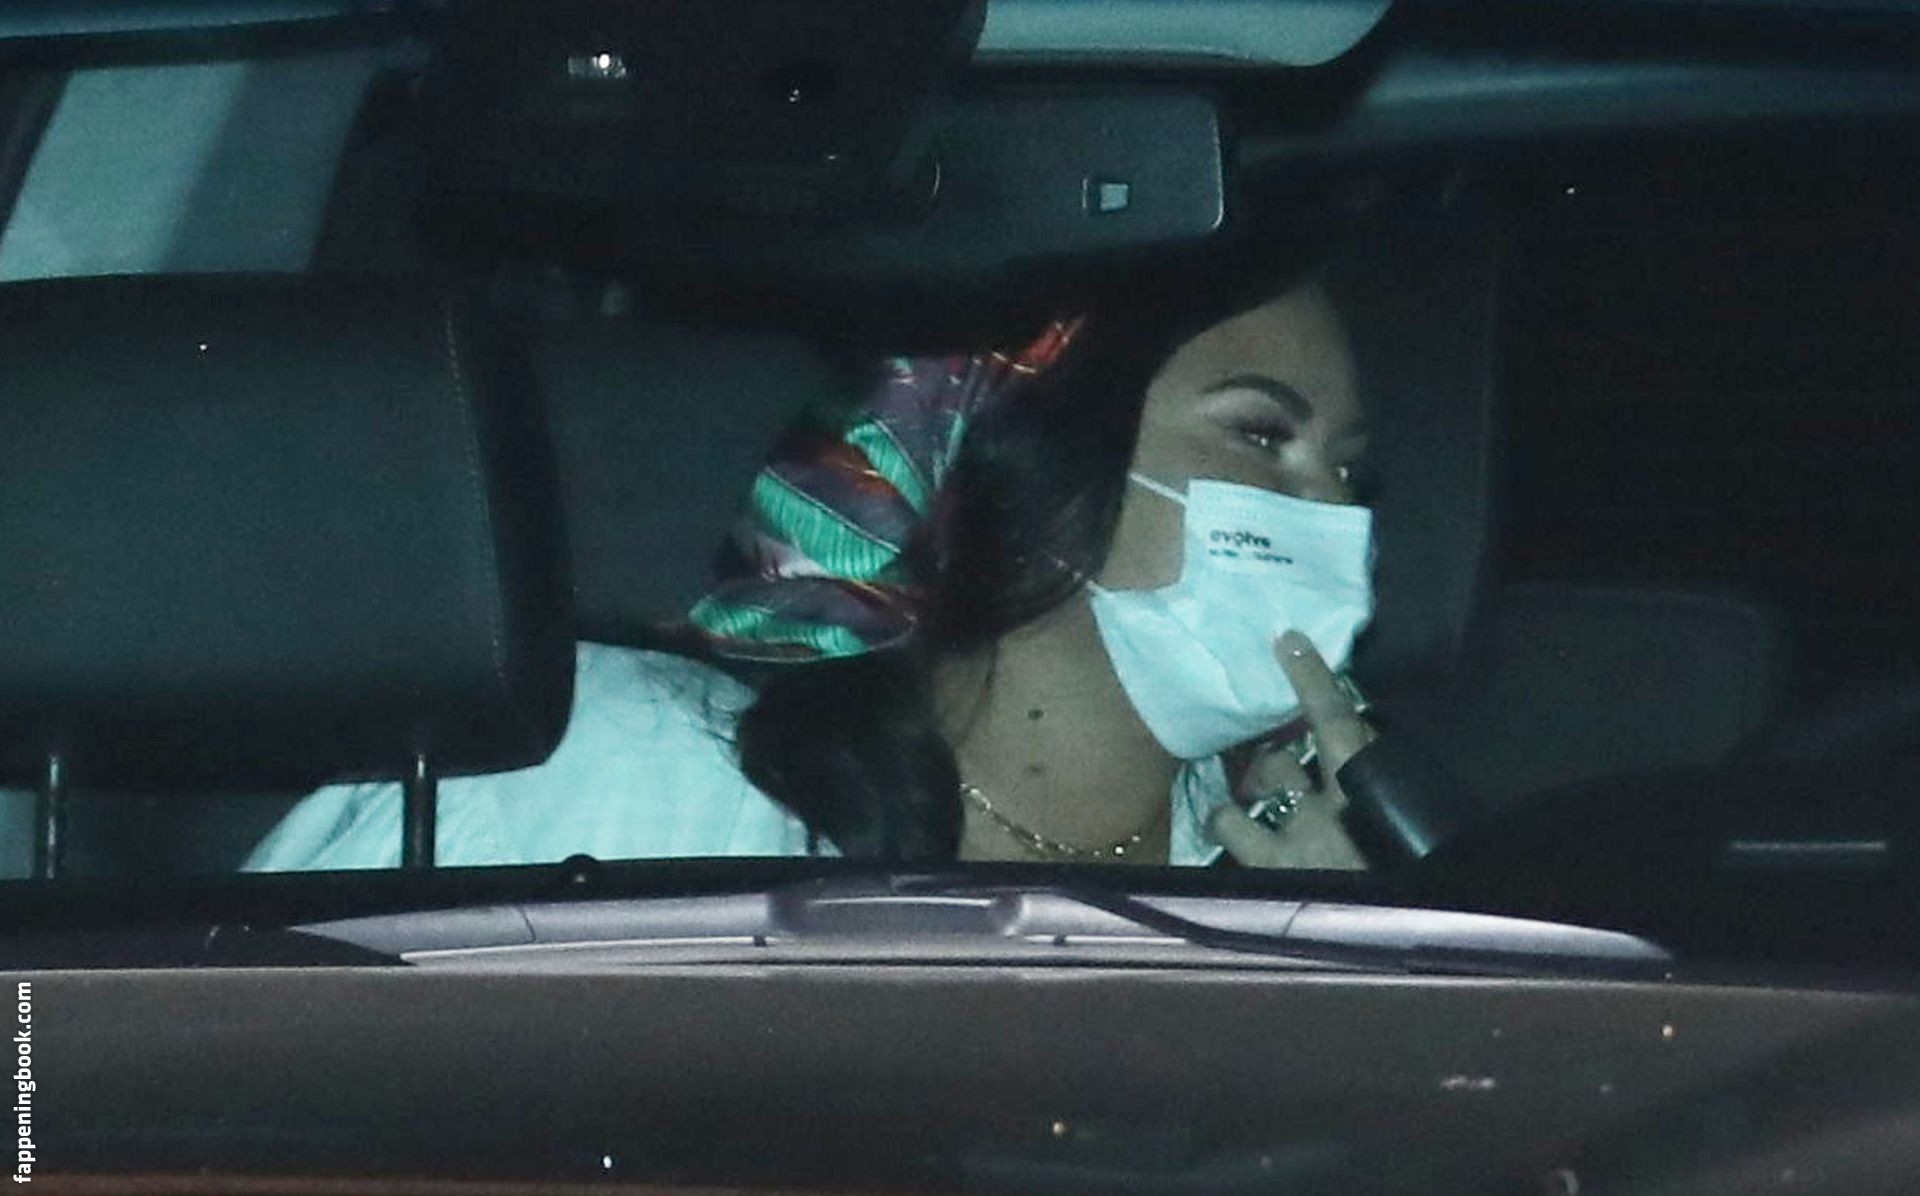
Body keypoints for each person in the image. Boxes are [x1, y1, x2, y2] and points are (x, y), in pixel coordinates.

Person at [245, 248, 1382, 872]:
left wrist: (1346, 969)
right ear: (1014, 448)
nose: (1332, 512)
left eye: (1347, 469)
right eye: (1261, 435)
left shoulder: (1282, 868)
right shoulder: (609, 768)